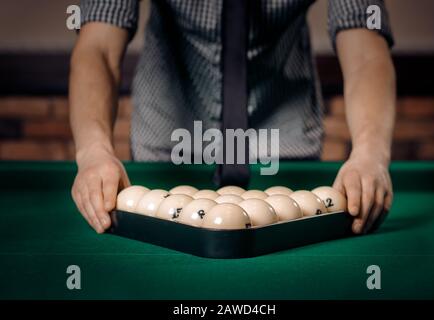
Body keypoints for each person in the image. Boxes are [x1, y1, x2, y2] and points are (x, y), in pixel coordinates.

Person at [70, 0, 395, 235]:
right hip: (168, 138)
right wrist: (93, 150)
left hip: (283, 140)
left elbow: (366, 51)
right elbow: (98, 45)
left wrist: (370, 152)